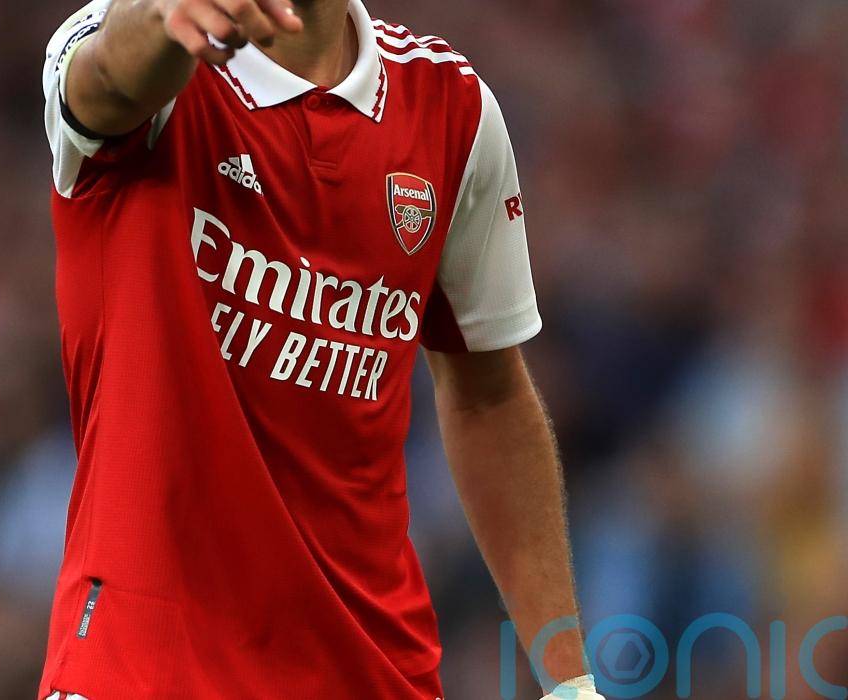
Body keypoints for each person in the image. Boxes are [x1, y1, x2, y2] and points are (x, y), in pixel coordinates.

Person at [38, 0, 604, 698]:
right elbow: (107, 80)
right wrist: (165, 18)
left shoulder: (452, 108)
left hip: (374, 669)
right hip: (142, 666)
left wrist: (569, 682)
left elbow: (489, 397)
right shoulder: (146, 45)